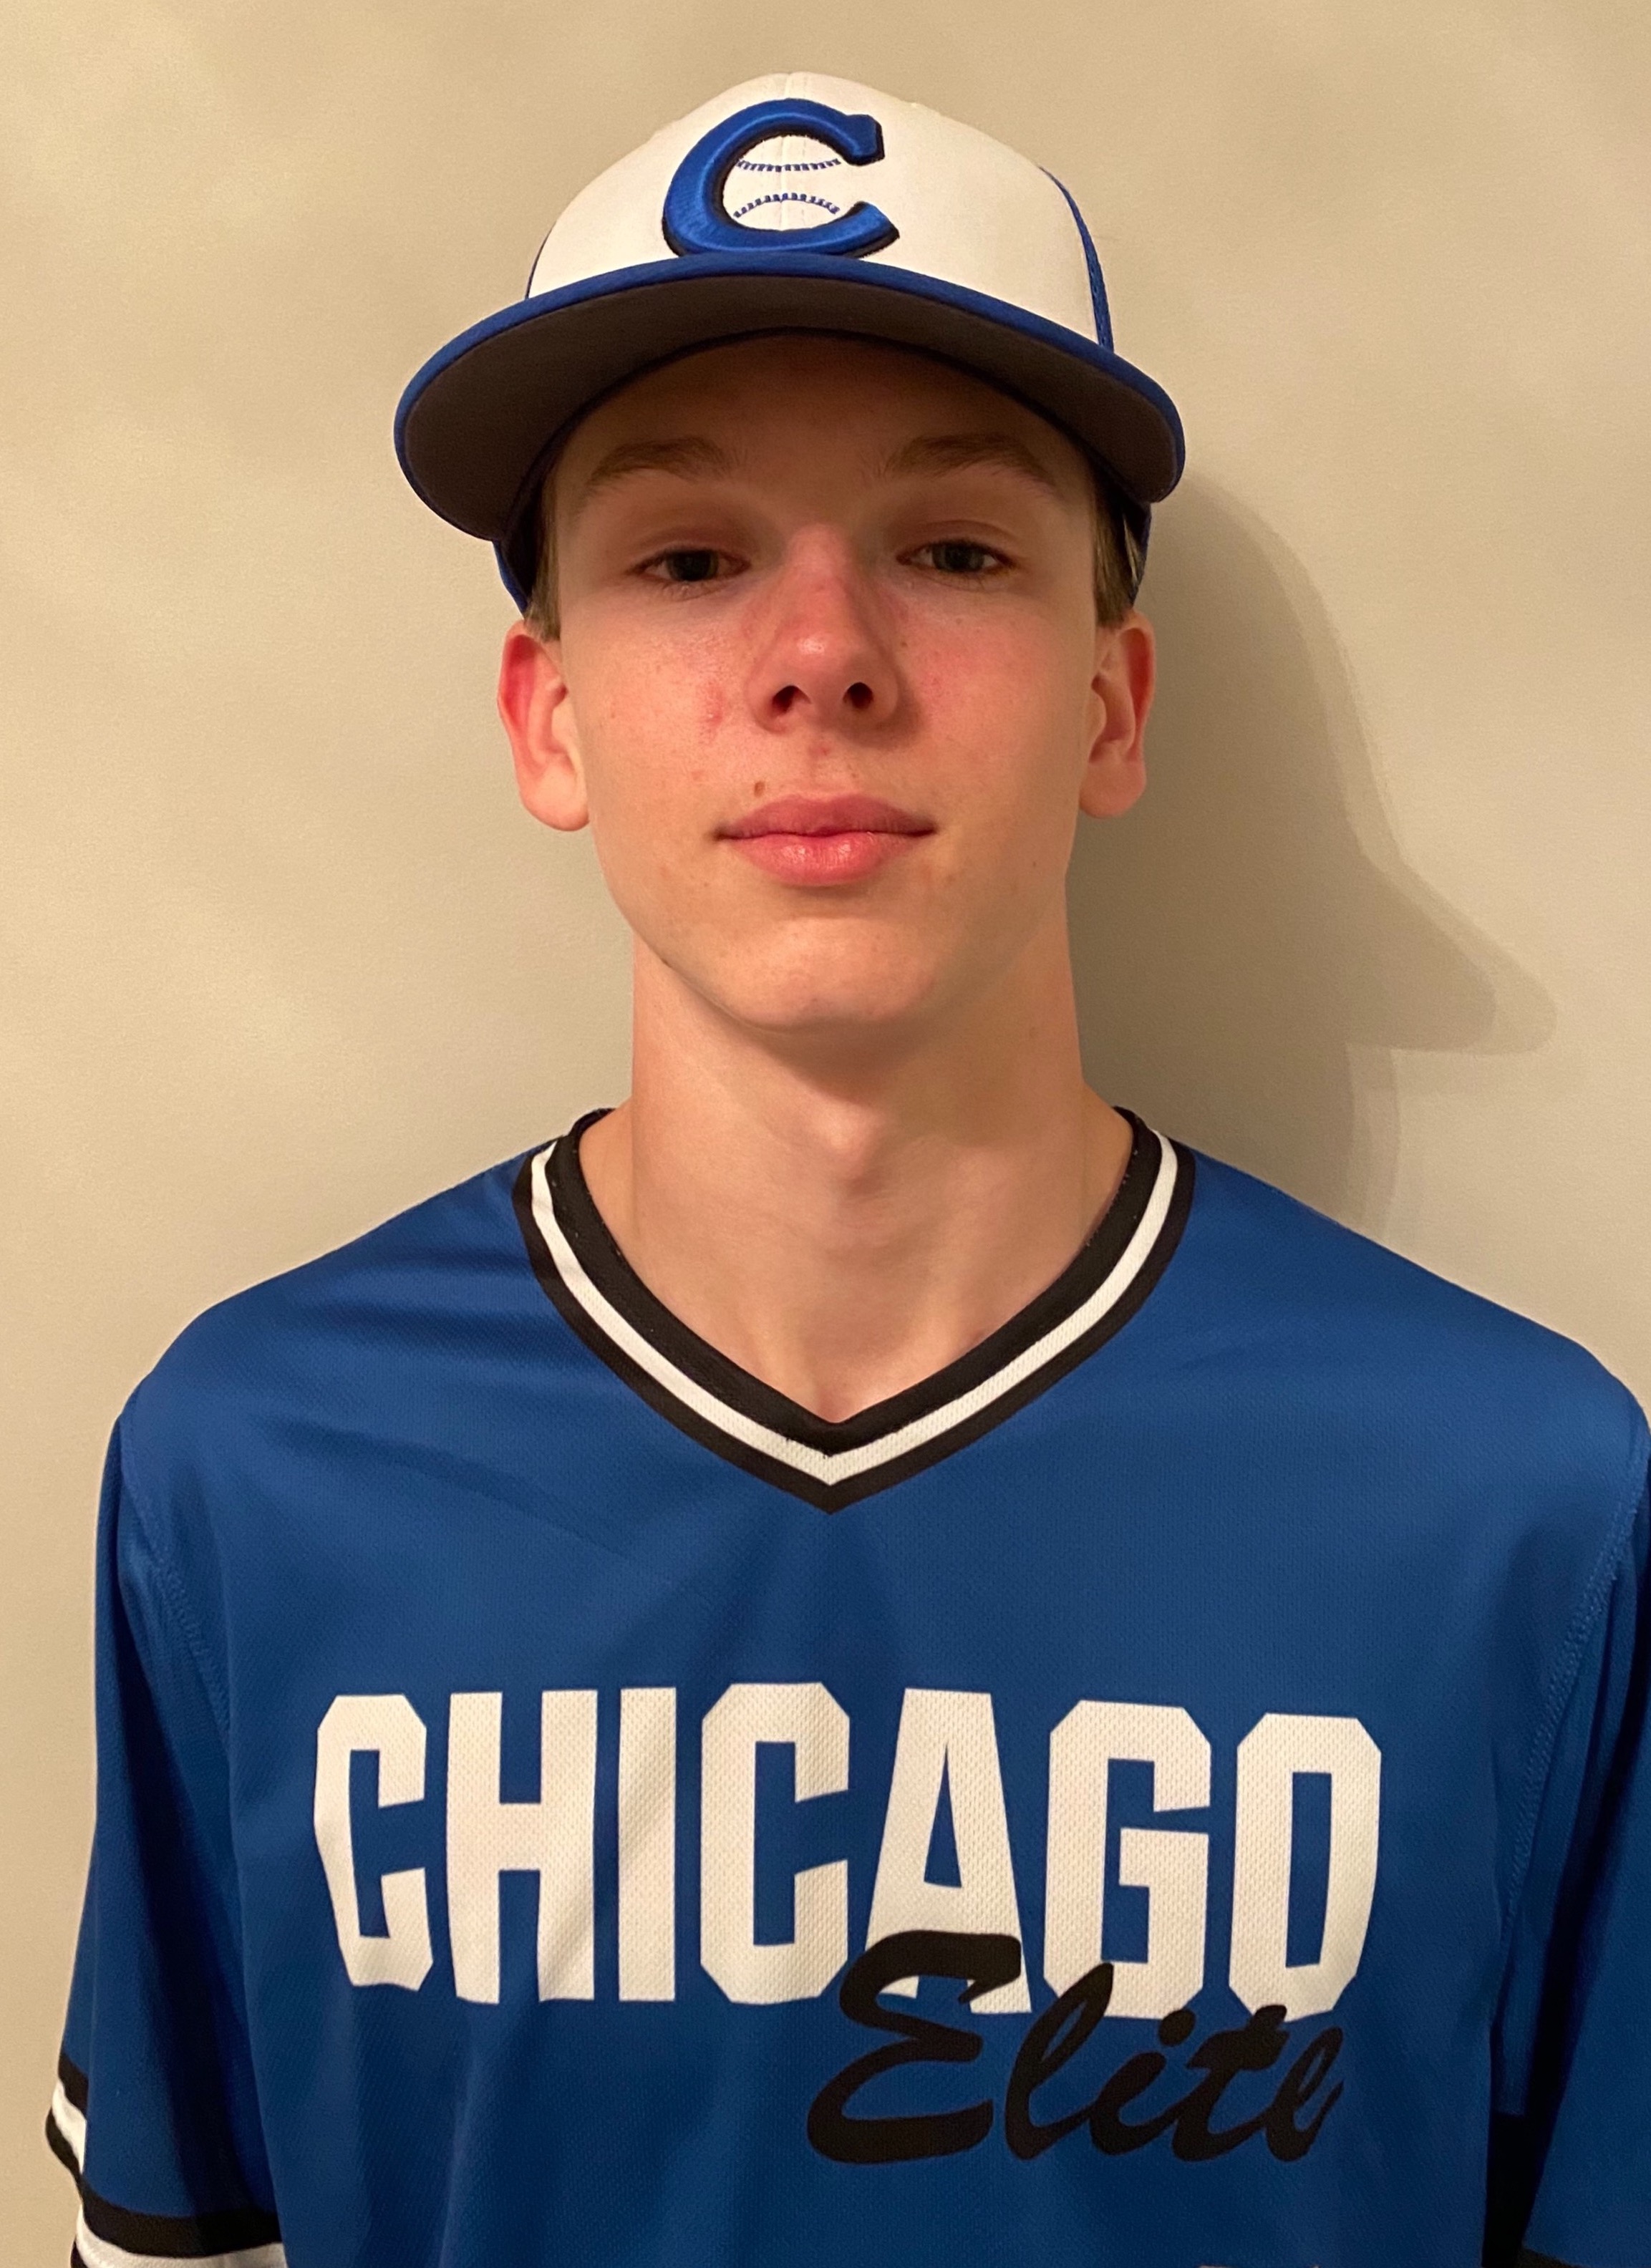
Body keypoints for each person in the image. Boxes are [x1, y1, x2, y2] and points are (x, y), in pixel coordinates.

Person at [46, 70, 1650, 2268]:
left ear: (1109, 705)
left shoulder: (1512, 1508)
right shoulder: (256, 1470)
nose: (820, 659)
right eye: (689, 559)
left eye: (954, 551)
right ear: (547, 716)